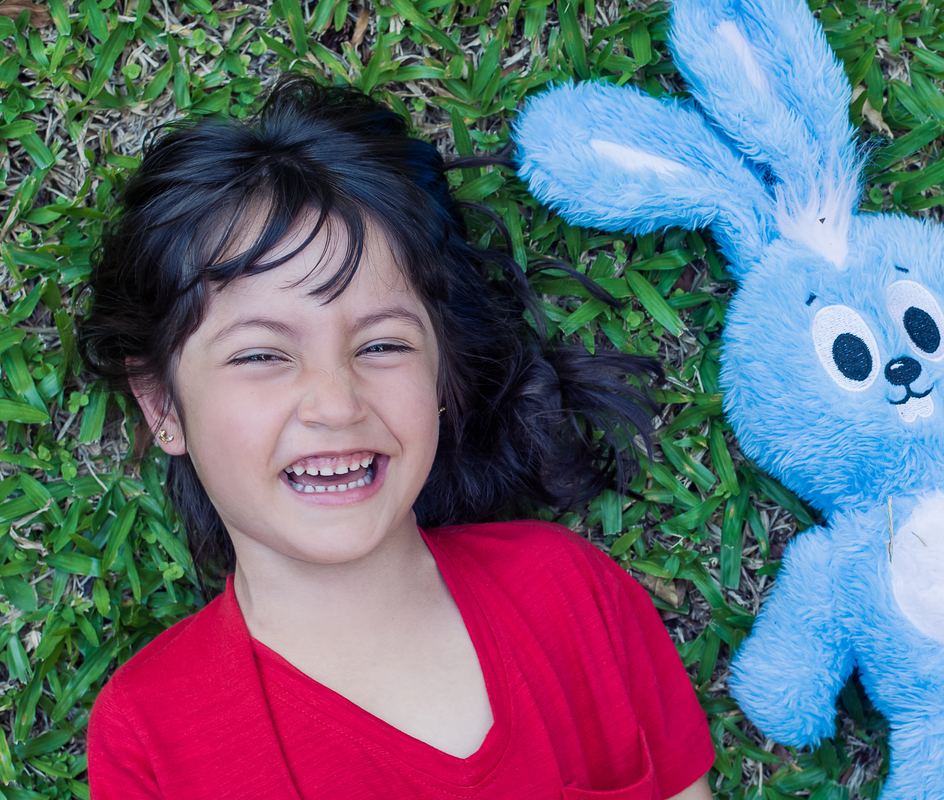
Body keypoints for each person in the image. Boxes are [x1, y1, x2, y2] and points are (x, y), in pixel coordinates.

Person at [79, 76, 715, 799]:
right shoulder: (149, 735)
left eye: (382, 345)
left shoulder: (570, 594)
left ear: (442, 372)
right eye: (261, 355)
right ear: (162, 405)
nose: (336, 404)